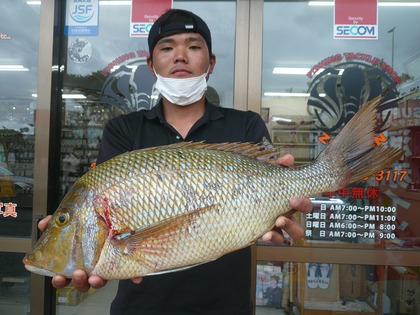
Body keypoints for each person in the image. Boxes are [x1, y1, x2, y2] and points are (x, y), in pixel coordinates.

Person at [39, 9, 312, 314]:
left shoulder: (246, 125)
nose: (180, 56)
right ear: (151, 64)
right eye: (167, 47)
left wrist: (287, 209)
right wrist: (74, 234)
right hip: (140, 308)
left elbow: (274, 202)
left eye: (194, 46)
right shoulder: (124, 130)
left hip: (226, 306)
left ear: (211, 63)